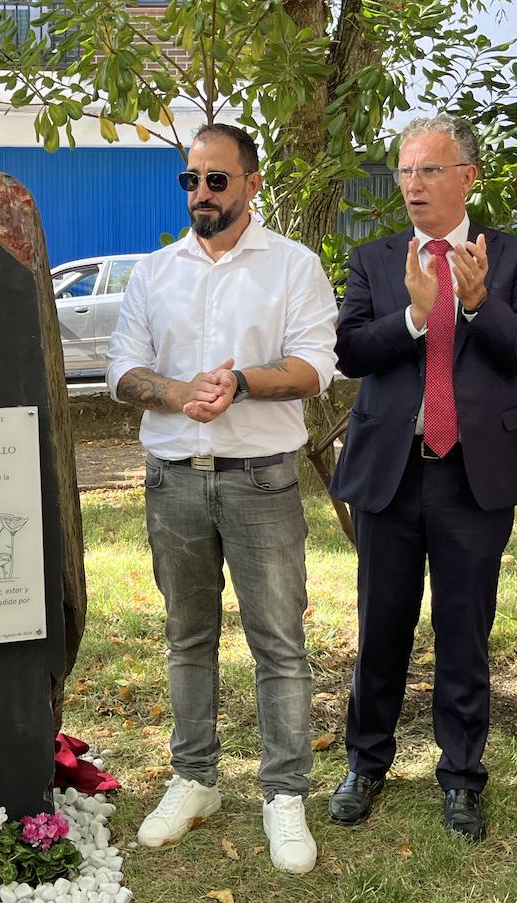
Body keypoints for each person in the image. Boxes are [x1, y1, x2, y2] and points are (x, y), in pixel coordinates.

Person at [106, 123, 337, 875]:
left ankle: (284, 792)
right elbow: (122, 373)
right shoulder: (154, 271)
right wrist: (179, 392)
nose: (201, 194)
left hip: (262, 477)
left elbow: (312, 368)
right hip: (175, 479)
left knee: (279, 642)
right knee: (187, 637)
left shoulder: (293, 267)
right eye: (191, 180)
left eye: (216, 180)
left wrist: (239, 383)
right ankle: (195, 778)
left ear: (251, 184)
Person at [326, 114, 517, 841]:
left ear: (466, 177)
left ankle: (461, 777)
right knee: (379, 627)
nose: (413, 185)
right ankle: (366, 762)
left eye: (429, 170)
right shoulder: (377, 256)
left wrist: (479, 303)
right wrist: (415, 317)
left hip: (473, 476)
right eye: (404, 171)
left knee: (465, 632)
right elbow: (353, 351)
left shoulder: (509, 255)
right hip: (391, 474)